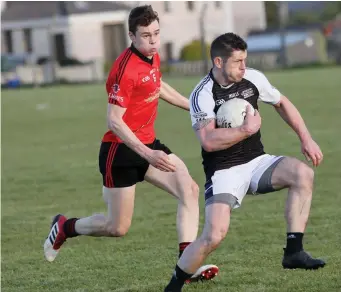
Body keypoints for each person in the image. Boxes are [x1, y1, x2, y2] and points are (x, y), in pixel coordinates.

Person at [43, 5, 218, 283]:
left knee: (190, 189)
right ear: (131, 36)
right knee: (117, 227)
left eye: (157, 34)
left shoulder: (152, 55)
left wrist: (195, 108)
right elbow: (114, 121)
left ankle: (186, 265)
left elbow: (156, 85)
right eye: (146, 36)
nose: (153, 41)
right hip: (120, 151)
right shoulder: (124, 70)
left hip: (148, 144)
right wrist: (147, 153)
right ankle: (65, 227)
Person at [164, 32, 326, 291]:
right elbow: (208, 140)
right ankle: (173, 285)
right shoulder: (202, 94)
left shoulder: (253, 78)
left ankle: (294, 251)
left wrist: (305, 138)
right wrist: (245, 130)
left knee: (302, 174)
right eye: (237, 61)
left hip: (256, 161)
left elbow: (281, 102)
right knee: (213, 236)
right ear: (218, 62)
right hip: (224, 171)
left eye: (245, 60)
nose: (243, 66)